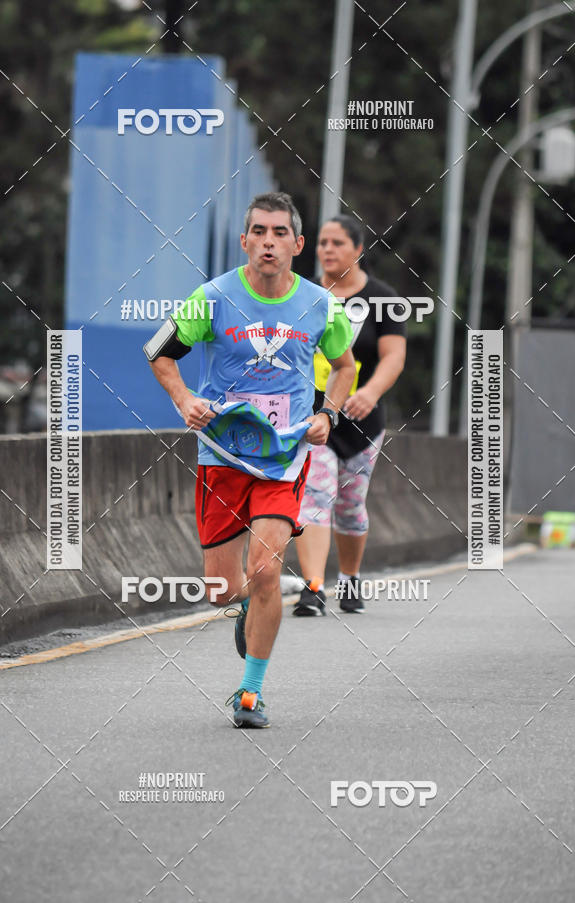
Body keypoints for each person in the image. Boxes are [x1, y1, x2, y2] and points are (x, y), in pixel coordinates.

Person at [147, 192, 355, 728]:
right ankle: (243, 605)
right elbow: (159, 350)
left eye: (279, 232)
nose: (268, 242)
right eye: (259, 232)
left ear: (297, 243)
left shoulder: (319, 304)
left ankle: (250, 692)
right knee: (221, 587)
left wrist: (327, 414)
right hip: (221, 451)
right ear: (245, 241)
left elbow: (344, 365)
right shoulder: (212, 297)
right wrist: (184, 399)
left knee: (265, 568)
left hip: (283, 456)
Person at [293, 215, 407, 615]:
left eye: (337, 243)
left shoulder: (382, 298)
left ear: (358, 250)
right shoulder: (302, 295)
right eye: (322, 242)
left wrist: (371, 392)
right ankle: (313, 587)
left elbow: (394, 356)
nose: (327, 250)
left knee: (349, 504)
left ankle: (351, 577)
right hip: (314, 417)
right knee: (315, 493)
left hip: (363, 419)